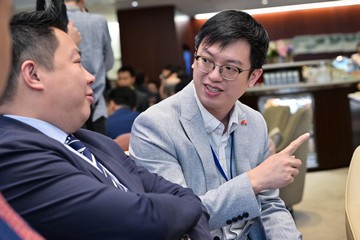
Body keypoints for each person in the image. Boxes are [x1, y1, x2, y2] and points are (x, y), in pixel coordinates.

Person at [0, 7, 211, 240]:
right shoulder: (11, 154)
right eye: (78, 62)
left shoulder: (94, 141)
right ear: (34, 74)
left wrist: (188, 207)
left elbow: (178, 194)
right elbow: (142, 219)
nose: (90, 76)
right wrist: (190, 206)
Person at [129, 10, 310, 239]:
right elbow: (177, 216)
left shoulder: (254, 122)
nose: (214, 75)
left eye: (230, 68)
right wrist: (253, 181)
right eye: (206, 60)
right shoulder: (154, 125)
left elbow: (270, 205)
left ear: (253, 77)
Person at [65, 0, 114, 134]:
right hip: (96, 102)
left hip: (65, 105)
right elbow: (109, 62)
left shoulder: (49, 22)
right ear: (82, 1)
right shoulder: (98, 21)